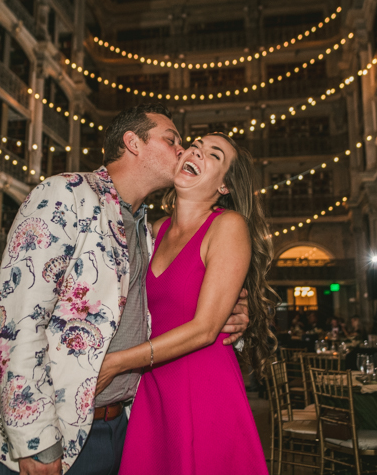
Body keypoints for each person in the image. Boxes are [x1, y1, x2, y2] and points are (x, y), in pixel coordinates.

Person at [0, 104, 250, 475]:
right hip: (54, 430)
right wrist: (34, 439)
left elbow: (172, 304)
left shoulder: (146, 229)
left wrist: (235, 316)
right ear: (133, 143)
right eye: (173, 140)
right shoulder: (64, 194)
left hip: (124, 424)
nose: (183, 151)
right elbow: (15, 320)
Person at [95, 134, 273, 474]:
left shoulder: (228, 226)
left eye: (214, 155)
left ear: (225, 186)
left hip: (203, 386)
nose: (196, 151)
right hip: (153, 388)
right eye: (196, 145)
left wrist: (116, 363)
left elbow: (205, 329)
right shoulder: (153, 230)